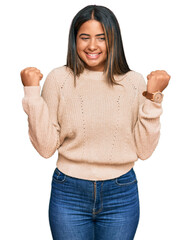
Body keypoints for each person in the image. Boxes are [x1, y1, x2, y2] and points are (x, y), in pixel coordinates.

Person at [20, 4, 170, 240]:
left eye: (102, 37)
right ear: (74, 40)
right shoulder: (59, 79)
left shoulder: (134, 82)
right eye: (85, 37)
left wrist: (153, 98)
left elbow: (144, 150)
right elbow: (46, 148)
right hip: (68, 191)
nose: (92, 46)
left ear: (114, 40)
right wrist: (31, 92)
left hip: (120, 193)